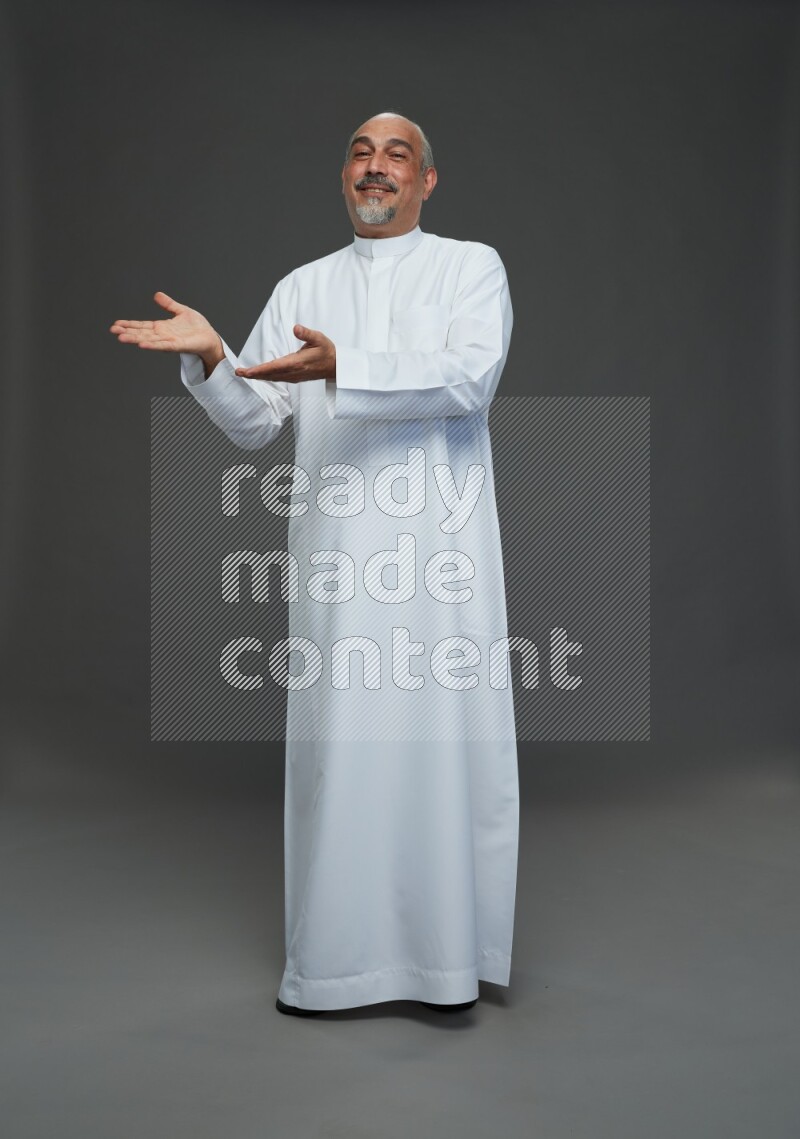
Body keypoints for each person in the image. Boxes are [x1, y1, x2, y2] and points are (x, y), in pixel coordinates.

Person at [110, 111, 519, 1016]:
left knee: (443, 750)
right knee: (343, 755)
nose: (376, 169)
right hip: (339, 570)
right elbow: (257, 424)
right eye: (361, 154)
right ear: (346, 176)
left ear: (427, 180)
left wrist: (347, 368)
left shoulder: (469, 267)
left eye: (396, 154)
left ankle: (449, 960)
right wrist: (215, 358)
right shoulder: (307, 282)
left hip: (440, 570)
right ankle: (339, 966)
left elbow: (470, 377)